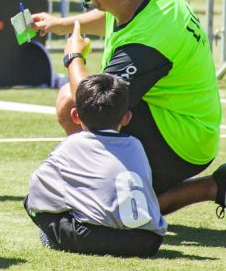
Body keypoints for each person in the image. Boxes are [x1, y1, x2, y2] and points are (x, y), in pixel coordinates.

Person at [31, 0, 226, 235]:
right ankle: (219, 185)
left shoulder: (146, 45)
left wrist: (73, 57)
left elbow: (95, 105)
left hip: (180, 143)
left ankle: (212, 187)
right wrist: (61, 24)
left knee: (72, 102)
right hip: (184, 125)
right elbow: (109, 14)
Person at [25, 73, 167, 257]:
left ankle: (51, 239)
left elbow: (37, 189)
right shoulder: (136, 145)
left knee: (30, 201)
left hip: (93, 239)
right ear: (127, 117)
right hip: (148, 241)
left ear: (75, 115)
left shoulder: (73, 144)